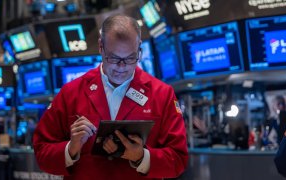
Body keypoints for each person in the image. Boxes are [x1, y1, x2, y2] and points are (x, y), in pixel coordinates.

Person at [33, 14, 188, 180]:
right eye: (114, 58)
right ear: (101, 47)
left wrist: (142, 157)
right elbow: (41, 152)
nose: (122, 67)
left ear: (139, 49)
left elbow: (178, 159)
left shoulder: (162, 94)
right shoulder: (71, 92)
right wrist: (70, 148)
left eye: (130, 58)